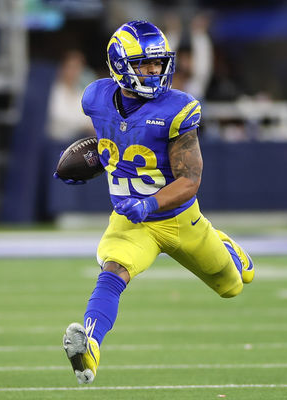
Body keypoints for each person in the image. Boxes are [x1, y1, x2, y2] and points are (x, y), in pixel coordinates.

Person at [55, 20, 255, 385]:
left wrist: (148, 205)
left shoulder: (177, 109)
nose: (154, 71)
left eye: (158, 63)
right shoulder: (96, 99)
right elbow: (113, 144)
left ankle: (227, 247)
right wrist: (98, 160)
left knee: (232, 286)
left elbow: (190, 180)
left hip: (178, 217)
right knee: (113, 271)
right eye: (145, 64)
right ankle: (90, 348)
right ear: (120, 65)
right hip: (131, 223)